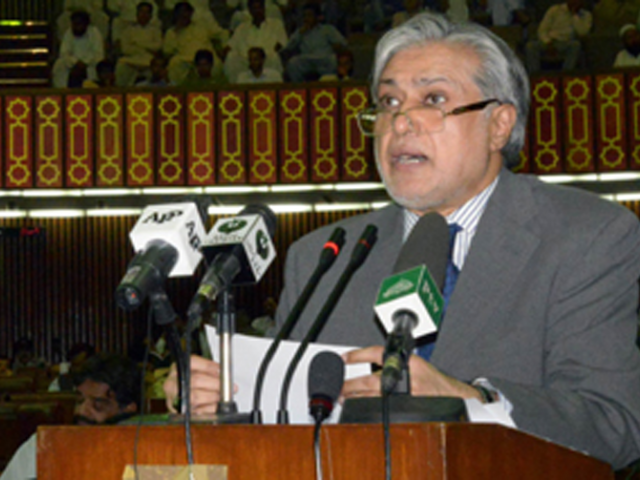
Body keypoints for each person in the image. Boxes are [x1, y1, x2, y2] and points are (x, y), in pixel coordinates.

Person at [165, 12, 640, 470]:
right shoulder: (323, 256)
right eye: (389, 102)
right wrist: (221, 399)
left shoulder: (587, 236)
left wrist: (472, 400)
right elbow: (284, 422)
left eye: (433, 99)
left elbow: (613, 425)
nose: (401, 122)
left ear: (498, 125)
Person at [0, 353, 141, 480]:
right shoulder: (44, 446)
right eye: (79, 400)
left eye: (97, 405)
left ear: (128, 410)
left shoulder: (144, 450)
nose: (82, 411)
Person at [162, 2, 228, 86]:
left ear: (191, 13)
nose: (184, 15)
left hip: (206, 56)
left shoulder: (202, 25)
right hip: (185, 59)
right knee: (174, 63)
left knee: (217, 64)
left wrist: (225, 47)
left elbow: (222, 33)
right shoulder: (171, 32)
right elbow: (167, 51)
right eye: (181, 13)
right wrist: (177, 31)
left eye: (186, 12)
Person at [222, 0, 288, 83]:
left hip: (266, 59)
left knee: (274, 57)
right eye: (254, 9)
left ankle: (273, 87)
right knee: (231, 57)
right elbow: (231, 44)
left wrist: (263, 56)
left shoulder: (276, 24)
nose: (257, 11)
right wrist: (224, 52)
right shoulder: (242, 27)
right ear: (250, 11)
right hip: (246, 61)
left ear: (264, 9)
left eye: (259, 8)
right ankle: (236, 89)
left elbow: (281, 43)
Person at [280, 3, 347, 82]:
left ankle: (327, 84)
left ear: (317, 17)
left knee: (333, 60)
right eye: (305, 16)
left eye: (309, 15)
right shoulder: (300, 31)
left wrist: (337, 46)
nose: (306, 18)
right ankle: (300, 87)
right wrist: (299, 34)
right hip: (306, 59)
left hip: (323, 59)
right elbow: (288, 47)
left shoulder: (327, 29)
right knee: (292, 63)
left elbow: (343, 43)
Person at [524, 0, 592, 73]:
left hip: (567, 42)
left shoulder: (586, 15)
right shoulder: (554, 10)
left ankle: (566, 73)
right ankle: (535, 74)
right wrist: (548, 42)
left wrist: (575, 15)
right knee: (530, 46)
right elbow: (542, 30)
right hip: (550, 40)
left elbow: (582, 32)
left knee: (576, 45)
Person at [52, 10, 105, 88]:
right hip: (72, 65)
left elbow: (98, 53)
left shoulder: (94, 33)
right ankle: (62, 89)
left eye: (79, 24)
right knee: (59, 65)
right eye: (74, 24)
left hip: (90, 64)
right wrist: (75, 62)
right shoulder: (68, 33)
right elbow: (64, 53)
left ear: (86, 24)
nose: (76, 27)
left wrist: (84, 63)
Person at [114, 1, 163, 87]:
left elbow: (158, 46)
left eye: (146, 12)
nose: (143, 15)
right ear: (137, 14)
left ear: (151, 16)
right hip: (132, 59)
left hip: (149, 59)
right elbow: (125, 49)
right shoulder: (128, 30)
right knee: (121, 65)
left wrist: (138, 43)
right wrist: (144, 49)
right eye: (141, 12)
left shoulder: (155, 30)